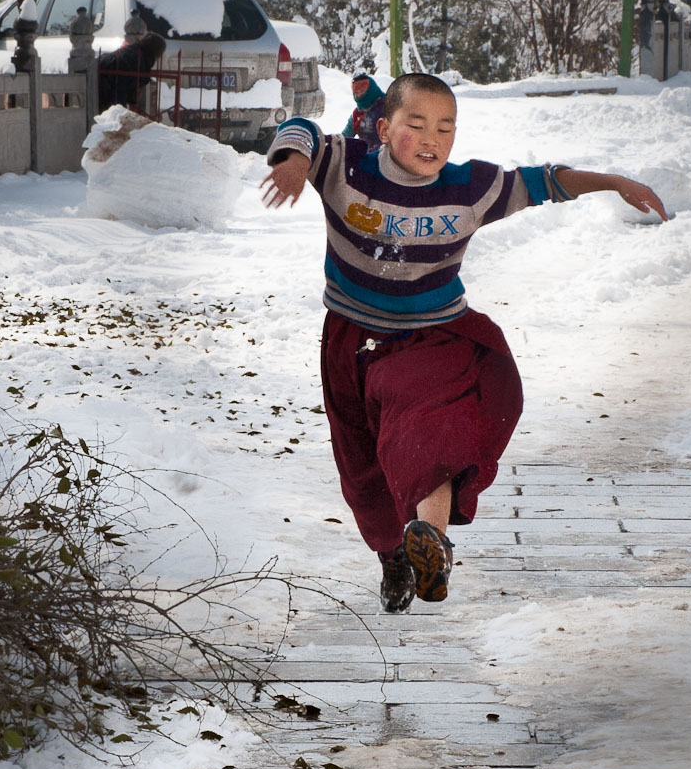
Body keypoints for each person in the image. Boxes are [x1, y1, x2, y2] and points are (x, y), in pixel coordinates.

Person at [261, 72, 667, 613]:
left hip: (433, 336)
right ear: (382, 128)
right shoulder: (348, 166)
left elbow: (545, 181)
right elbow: (301, 128)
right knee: (362, 473)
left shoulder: (467, 190)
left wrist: (613, 181)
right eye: (417, 124)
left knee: (431, 437)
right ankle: (394, 556)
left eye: (446, 128)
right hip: (352, 340)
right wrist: (292, 162)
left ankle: (434, 542)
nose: (432, 139)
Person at [97, 32, 167, 112]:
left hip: (100, 84)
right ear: (156, 51)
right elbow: (131, 84)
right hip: (110, 93)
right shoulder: (140, 60)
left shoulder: (132, 50)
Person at [341, 72, 385, 150]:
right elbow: (346, 134)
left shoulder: (388, 107)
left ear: (371, 89)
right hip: (365, 155)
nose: (359, 96)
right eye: (356, 93)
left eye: (362, 92)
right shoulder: (357, 113)